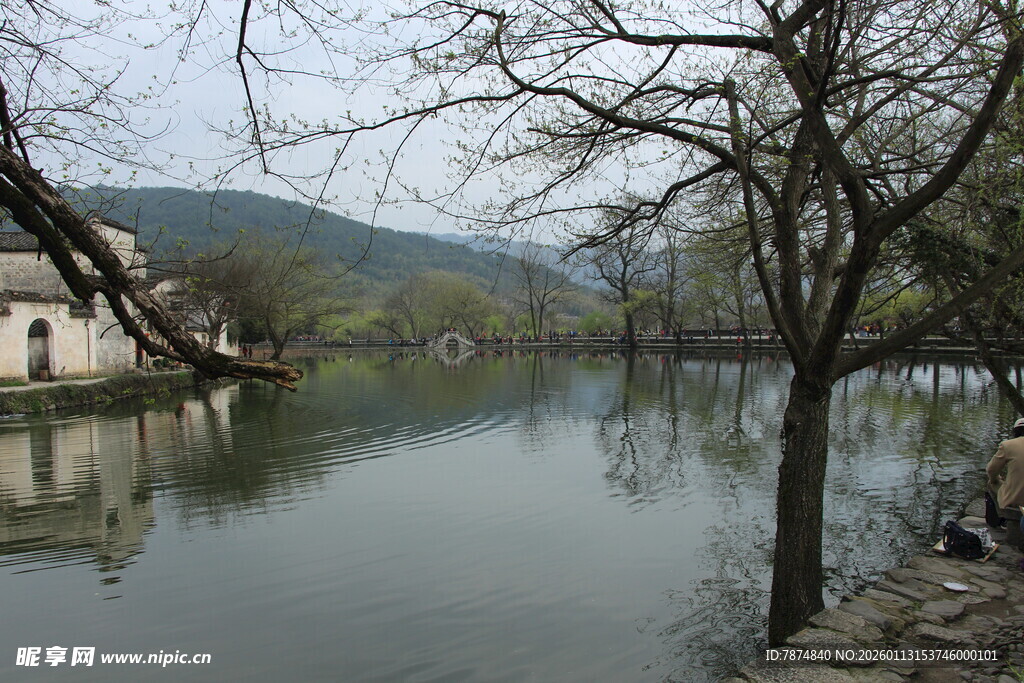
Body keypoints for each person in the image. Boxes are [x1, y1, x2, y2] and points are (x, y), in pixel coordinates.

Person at [987, 417, 1024, 550]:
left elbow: (991, 469)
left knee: (992, 483)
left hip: (1017, 500)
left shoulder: (1008, 445)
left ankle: (1003, 516)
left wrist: (996, 479)